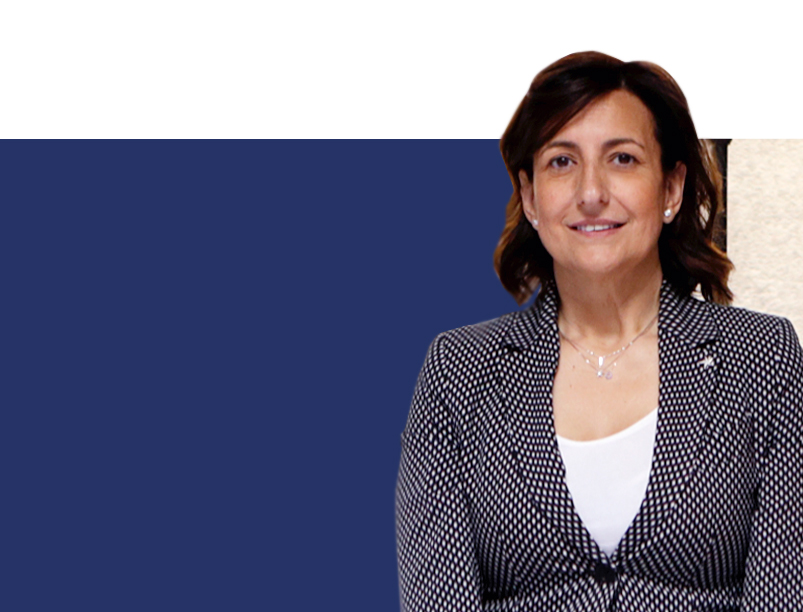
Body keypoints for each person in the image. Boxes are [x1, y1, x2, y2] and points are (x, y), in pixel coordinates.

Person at [395, 51, 803, 611]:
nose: (591, 192)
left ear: (671, 189)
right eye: (562, 161)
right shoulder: (458, 371)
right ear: (531, 196)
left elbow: (784, 595)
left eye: (623, 159)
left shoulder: (762, 357)